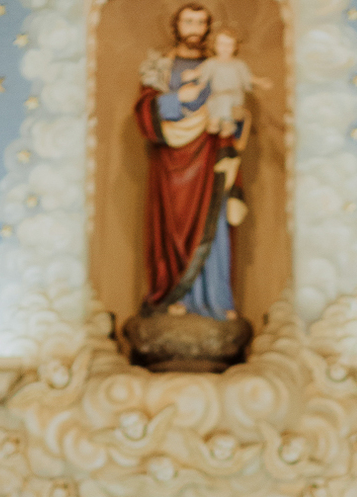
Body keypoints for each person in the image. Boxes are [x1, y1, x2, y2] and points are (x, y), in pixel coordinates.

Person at [135, 4, 246, 319]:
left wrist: (236, 117)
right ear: (176, 26)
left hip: (212, 154)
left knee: (215, 223)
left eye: (201, 22)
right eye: (188, 21)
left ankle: (217, 301)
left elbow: (234, 102)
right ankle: (172, 295)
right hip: (172, 161)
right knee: (173, 226)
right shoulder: (161, 66)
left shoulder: (221, 66)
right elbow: (143, 110)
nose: (194, 28)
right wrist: (175, 100)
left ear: (209, 28)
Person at [178, 26, 271, 137]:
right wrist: (192, 75)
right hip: (216, 96)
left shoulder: (239, 65)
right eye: (221, 44)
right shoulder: (212, 63)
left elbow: (248, 77)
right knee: (214, 103)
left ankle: (226, 123)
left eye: (229, 45)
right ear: (215, 45)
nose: (225, 48)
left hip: (234, 98)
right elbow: (201, 72)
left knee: (226, 101)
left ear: (235, 47)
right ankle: (215, 122)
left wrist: (261, 82)